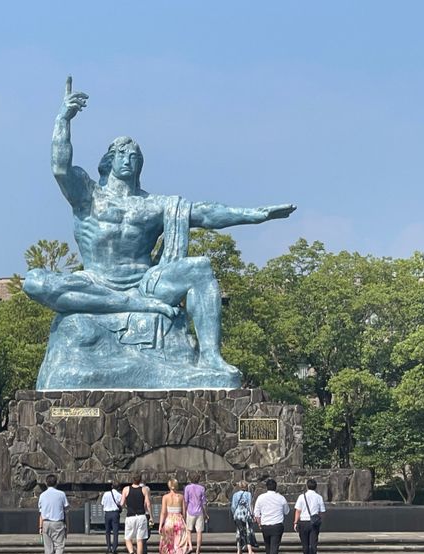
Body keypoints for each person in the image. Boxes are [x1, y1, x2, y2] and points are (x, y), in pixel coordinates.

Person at [23, 77, 296, 388]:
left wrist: (254, 215)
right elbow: (60, 168)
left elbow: (205, 213)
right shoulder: (88, 195)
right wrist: (63, 120)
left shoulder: (153, 205)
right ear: (109, 160)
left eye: (135, 156)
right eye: (122, 154)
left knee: (200, 268)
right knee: (35, 281)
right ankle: (131, 307)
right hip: (95, 282)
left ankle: (210, 359)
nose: (129, 159)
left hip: (144, 284)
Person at [253, 479, 289, 554]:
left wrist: (259, 523)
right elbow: (286, 511)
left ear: (267, 487)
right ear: (276, 487)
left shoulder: (261, 497)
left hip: (265, 525)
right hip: (277, 525)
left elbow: (256, 513)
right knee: (275, 546)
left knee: (268, 545)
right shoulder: (281, 498)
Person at [39, 474, 69, 554]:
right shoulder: (61, 494)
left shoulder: (42, 495)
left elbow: (41, 513)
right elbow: (66, 510)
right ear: (56, 483)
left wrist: (40, 527)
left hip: (46, 523)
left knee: (48, 548)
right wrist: (67, 526)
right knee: (60, 546)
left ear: (46, 483)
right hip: (58, 523)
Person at [158, 478, 190, 554]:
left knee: (168, 544)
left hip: (169, 522)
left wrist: (160, 525)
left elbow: (163, 512)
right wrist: (183, 522)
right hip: (179, 521)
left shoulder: (165, 497)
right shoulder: (181, 497)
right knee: (179, 544)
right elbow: (184, 512)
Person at [293, 479, 326, 554]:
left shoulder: (301, 497)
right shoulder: (319, 497)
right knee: (313, 544)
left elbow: (298, 510)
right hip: (314, 523)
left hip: (303, 521)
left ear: (307, 486)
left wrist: (295, 522)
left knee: (305, 544)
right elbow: (322, 511)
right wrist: (320, 520)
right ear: (316, 487)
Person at [121, 473, 152, 554]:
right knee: (140, 540)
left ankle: (131, 553)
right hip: (141, 516)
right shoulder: (144, 490)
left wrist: (126, 506)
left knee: (127, 538)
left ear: (132, 479)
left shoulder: (126, 489)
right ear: (140, 480)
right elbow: (147, 504)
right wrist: (150, 516)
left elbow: (121, 503)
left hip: (130, 516)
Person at [184, 473, 208, 554]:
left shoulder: (187, 488)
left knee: (188, 530)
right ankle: (198, 550)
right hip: (199, 511)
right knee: (199, 531)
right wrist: (205, 513)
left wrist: (184, 511)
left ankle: (190, 546)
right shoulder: (202, 488)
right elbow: (203, 502)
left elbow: (186, 501)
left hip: (190, 511)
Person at [231, 481, 256, 554]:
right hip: (246, 514)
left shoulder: (235, 495)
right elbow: (250, 505)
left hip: (238, 514)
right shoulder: (248, 494)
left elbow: (233, 506)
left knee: (239, 531)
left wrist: (234, 514)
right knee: (248, 531)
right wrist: (252, 514)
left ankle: (239, 550)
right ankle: (249, 550)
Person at [101, 480, 122, 554]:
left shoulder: (106, 494)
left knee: (107, 531)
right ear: (118, 487)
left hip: (107, 513)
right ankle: (114, 548)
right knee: (115, 531)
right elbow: (121, 504)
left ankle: (108, 547)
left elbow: (102, 503)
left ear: (112, 486)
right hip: (115, 513)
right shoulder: (119, 495)